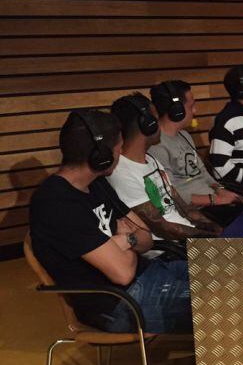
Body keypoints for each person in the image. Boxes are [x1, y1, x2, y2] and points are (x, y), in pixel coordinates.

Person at [29, 109, 192, 334]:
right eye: (119, 148)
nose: (121, 154)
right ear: (101, 155)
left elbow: (145, 239)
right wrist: (128, 239)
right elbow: (122, 273)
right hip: (120, 304)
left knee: (239, 273)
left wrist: (122, 241)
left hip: (152, 273)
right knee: (234, 301)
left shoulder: (96, 183)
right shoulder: (56, 203)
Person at [108, 93, 221, 240]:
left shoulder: (151, 160)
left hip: (190, 241)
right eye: (155, 119)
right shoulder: (121, 172)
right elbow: (164, 228)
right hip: (171, 251)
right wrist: (212, 240)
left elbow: (186, 211)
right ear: (147, 125)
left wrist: (218, 230)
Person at [148, 80, 243, 227]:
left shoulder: (185, 136)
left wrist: (220, 190)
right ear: (177, 110)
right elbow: (172, 194)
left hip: (212, 202)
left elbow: (202, 172)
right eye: (192, 105)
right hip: (194, 212)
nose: (195, 111)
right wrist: (215, 200)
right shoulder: (156, 146)